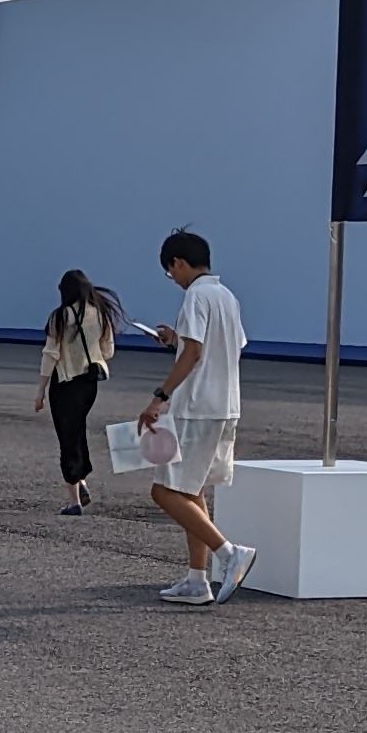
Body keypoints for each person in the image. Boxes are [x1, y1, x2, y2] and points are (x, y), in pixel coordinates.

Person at [137, 227, 252, 605]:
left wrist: (159, 397)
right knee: (191, 491)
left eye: (170, 271)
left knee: (164, 490)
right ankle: (197, 580)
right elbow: (227, 345)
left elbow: (194, 353)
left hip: (197, 407)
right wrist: (176, 338)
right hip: (225, 406)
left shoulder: (196, 296)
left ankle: (228, 553)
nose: (173, 278)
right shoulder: (226, 297)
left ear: (179, 263)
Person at [36, 269, 119, 514]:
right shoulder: (101, 313)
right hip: (89, 383)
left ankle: (75, 500)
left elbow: (50, 354)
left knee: (67, 437)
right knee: (77, 430)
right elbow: (108, 351)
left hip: (65, 381)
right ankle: (81, 479)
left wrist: (40, 391)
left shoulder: (61, 316)